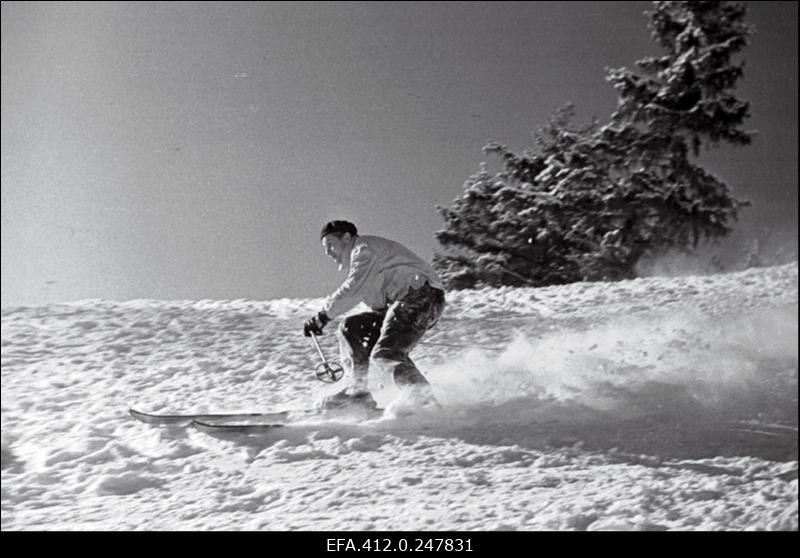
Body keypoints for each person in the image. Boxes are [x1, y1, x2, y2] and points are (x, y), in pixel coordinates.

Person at [303, 220, 446, 410]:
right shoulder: (366, 266)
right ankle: (358, 391)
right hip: (405, 304)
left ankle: (423, 400)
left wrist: (322, 317)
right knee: (352, 327)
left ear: (346, 237)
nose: (328, 252)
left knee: (385, 354)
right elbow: (378, 309)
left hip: (421, 296)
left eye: (330, 245)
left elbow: (353, 289)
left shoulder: (364, 249)